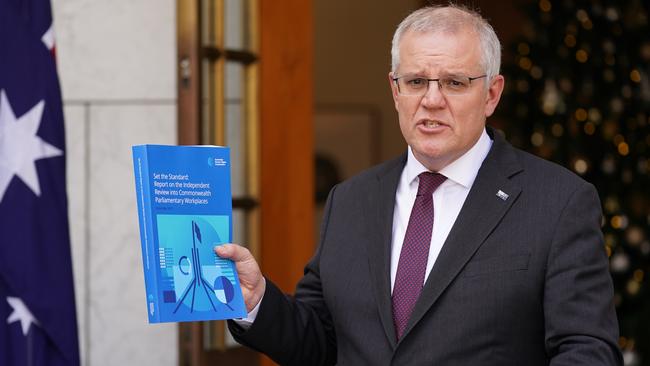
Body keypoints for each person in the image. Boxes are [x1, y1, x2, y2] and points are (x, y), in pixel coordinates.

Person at [215, 5, 623, 365]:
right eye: (415, 82)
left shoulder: (558, 201)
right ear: (395, 91)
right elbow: (319, 343)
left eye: (454, 83)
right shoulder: (352, 200)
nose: (431, 100)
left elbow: (588, 351)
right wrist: (256, 302)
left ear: (491, 94)